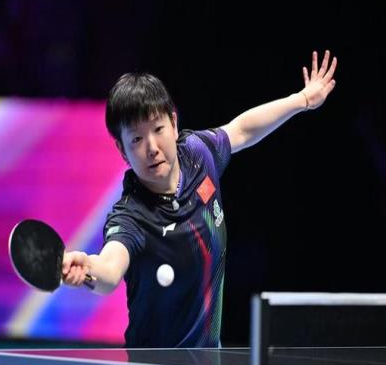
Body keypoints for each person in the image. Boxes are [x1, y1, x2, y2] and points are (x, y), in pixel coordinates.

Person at [62, 50, 337, 349]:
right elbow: (110, 269)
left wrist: (303, 99)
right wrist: (88, 269)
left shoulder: (199, 154)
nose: (152, 147)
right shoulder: (131, 215)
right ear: (122, 149)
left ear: (174, 123)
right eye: (137, 139)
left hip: (209, 361)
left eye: (158, 129)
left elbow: (242, 129)